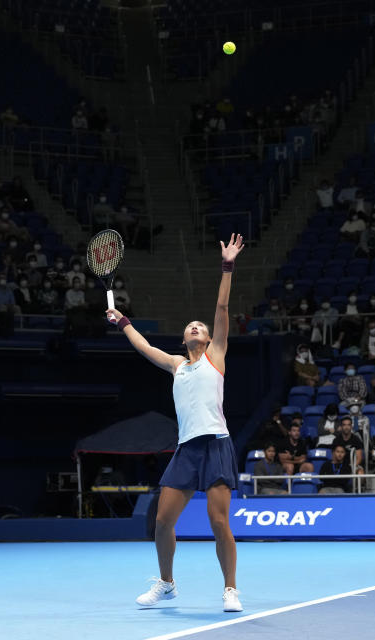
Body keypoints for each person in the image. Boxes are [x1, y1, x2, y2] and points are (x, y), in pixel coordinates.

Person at [110, 233, 244, 612]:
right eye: (191, 326)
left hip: (216, 444)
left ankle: (230, 589)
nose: (197, 328)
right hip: (186, 449)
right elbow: (145, 348)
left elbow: (221, 307)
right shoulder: (176, 364)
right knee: (162, 523)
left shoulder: (216, 355)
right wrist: (122, 322)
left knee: (219, 522)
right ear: (184, 338)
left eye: (200, 326)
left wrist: (227, 266)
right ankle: (167, 584)